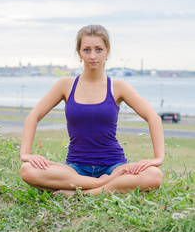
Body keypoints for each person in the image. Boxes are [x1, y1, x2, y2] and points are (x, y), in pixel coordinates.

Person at [20, 24, 164, 196]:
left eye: (98, 49)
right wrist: (25, 153)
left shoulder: (117, 87)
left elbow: (153, 117)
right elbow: (33, 116)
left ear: (107, 52)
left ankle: (83, 193)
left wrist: (158, 158)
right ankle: (103, 185)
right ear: (79, 53)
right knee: (27, 170)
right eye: (87, 50)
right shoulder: (66, 85)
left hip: (114, 166)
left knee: (154, 175)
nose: (93, 56)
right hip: (75, 168)